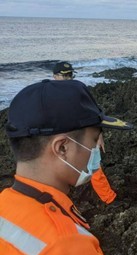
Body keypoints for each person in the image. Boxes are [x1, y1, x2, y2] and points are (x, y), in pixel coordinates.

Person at [0, 80, 137, 255]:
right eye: (94, 141)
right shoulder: (65, 249)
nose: (96, 151)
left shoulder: (6, 205)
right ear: (62, 147)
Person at [52, 61, 118, 205]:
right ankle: (59, 204)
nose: (68, 79)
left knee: (94, 167)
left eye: (70, 75)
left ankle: (109, 199)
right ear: (55, 76)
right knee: (57, 173)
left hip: (82, 137)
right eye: (64, 76)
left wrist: (98, 135)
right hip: (60, 140)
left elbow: (93, 113)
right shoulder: (48, 96)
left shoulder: (78, 92)